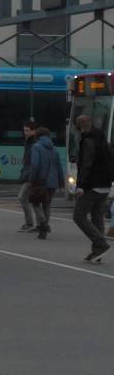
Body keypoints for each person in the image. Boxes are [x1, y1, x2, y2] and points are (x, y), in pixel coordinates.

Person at [72, 113, 112, 263]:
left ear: (79, 127)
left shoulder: (88, 141)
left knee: (79, 216)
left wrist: (80, 185)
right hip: (105, 184)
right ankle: (97, 252)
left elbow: (86, 164)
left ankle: (101, 244)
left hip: (92, 185)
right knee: (97, 217)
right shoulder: (103, 139)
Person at [27, 126, 61, 239]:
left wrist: (31, 180)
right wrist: (61, 182)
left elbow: (35, 165)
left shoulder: (36, 147)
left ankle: (43, 223)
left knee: (35, 203)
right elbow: (59, 167)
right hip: (53, 182)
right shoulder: (55, 149)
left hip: (40, 181)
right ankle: (44, 230)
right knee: (47, 205)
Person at [16, 121, 37, 232]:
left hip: (31, 175)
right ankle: (36, 223)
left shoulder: (33, 143)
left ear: (33, 131)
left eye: (27, 130)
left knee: (23, 197)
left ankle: (30, 223)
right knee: (32, 199)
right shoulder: (29, 142)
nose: (25, 132)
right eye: (24, 130)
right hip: (29, 173)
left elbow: (32, 161)